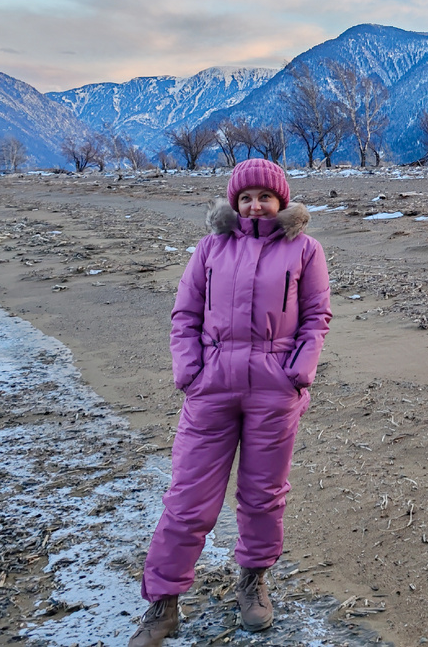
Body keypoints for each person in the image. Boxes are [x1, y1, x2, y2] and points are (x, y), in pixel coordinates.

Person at [128, 158, 331, 646]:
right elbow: (185, 314)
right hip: (212, 385)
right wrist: (190, 372)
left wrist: (296, 375)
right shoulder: (210, 248)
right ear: (234, 203)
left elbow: (316, 317)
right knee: (188, 497)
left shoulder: (305, 249)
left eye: (265, 195)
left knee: (263, 494)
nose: (255, 204)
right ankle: (164, 601)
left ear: (281, 200)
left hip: (273, 387)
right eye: (246, 197)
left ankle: (253, 580)